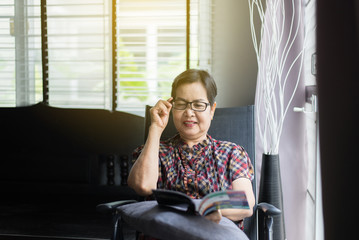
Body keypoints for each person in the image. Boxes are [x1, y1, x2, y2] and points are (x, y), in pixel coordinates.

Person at [128, 69, 255, 226]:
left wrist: (207, 209)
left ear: (212, 110)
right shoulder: (156, 151)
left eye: (198, 105)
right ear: (171, 107)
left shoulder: (232, 153)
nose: (189, 112)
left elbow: (245, 202)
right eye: (181, 104)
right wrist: (156, 128)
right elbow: (143, 186)